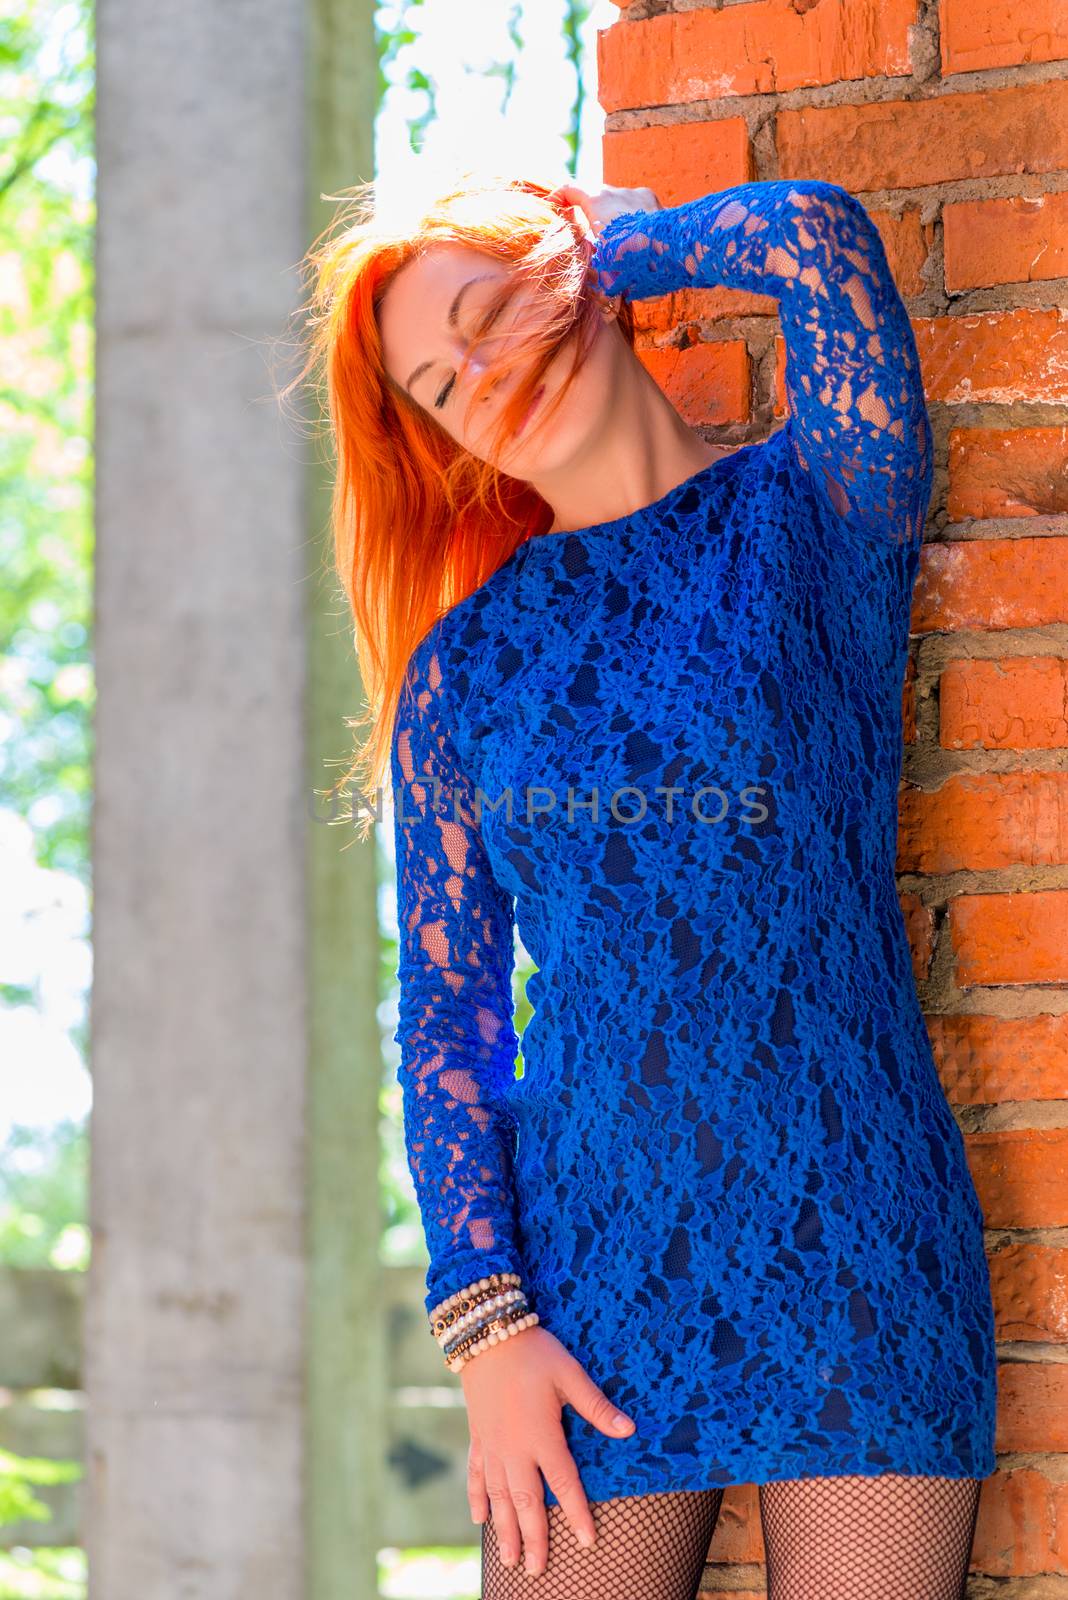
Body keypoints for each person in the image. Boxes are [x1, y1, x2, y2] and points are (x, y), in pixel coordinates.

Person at [291, 170, 996, 1598]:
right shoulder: (463, 675)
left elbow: (818, 242)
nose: (483, 383)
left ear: (572, 279)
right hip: (588, 1282)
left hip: (859, 1238)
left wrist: (604, 241)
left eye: (490, 319)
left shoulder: (817, 516)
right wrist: (486, 1327)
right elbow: (449, 1028)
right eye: (440, 384)